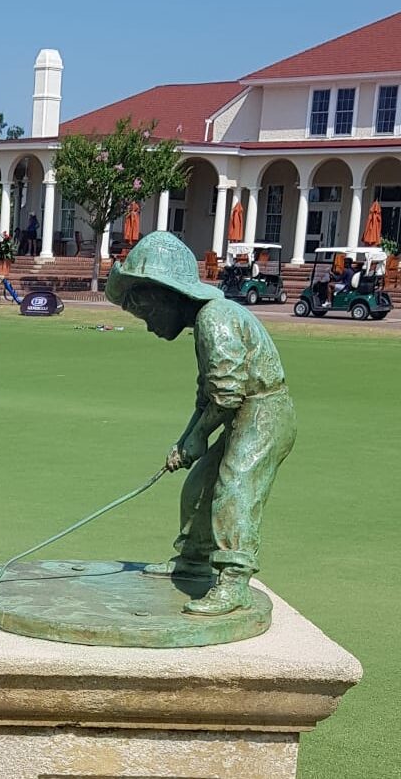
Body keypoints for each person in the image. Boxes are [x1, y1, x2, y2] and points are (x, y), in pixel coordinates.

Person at [106, 231, 296, 616]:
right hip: (241, 410)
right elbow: (208, 395)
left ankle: (234, 581)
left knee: (234, 487)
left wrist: (197, 438)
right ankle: (193, 560)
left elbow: (227, 395)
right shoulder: (206, 321)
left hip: (264, 413)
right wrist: (186, 440)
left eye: (148, 314)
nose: (149, 327)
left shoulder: (214, 317)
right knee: (199, 487)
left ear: (167, 296)